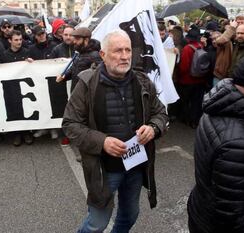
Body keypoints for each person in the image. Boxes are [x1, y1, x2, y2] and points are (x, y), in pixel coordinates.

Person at [62, 29, 168, 233]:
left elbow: (160, 113)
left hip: (135, 166)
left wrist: (153, 128)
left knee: (130, 215)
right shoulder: (87, 82)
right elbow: (70, 124)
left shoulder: (143, 81)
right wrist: (102, 142)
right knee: (96, 224)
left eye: (128, 50)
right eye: (118, 50)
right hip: (103, 169)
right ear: (103, 54)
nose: (125, 56)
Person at [187, 58, 244, 233]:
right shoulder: (238, 144)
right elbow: (231, 213)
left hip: (202, 207)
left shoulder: (219, 104)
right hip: (215, 224)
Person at [1, 30, 34, 146]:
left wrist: (31, 63)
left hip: (25, 87)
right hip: (10, 87)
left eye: (20, 39)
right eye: (16, 40)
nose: (19, 42)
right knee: (13, 108)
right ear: (10, 40)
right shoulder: (4, 55)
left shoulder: (27, 52)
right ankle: (17, 133)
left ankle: (27, 132)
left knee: (26, 108)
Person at [178, 26, 207, 128]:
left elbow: (184, 67)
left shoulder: (187, 49)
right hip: (200, 79)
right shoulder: (201, 46)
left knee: (186, 101)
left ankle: (187, 119)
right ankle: (195, 121)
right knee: (196, 101)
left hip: (187, 80)